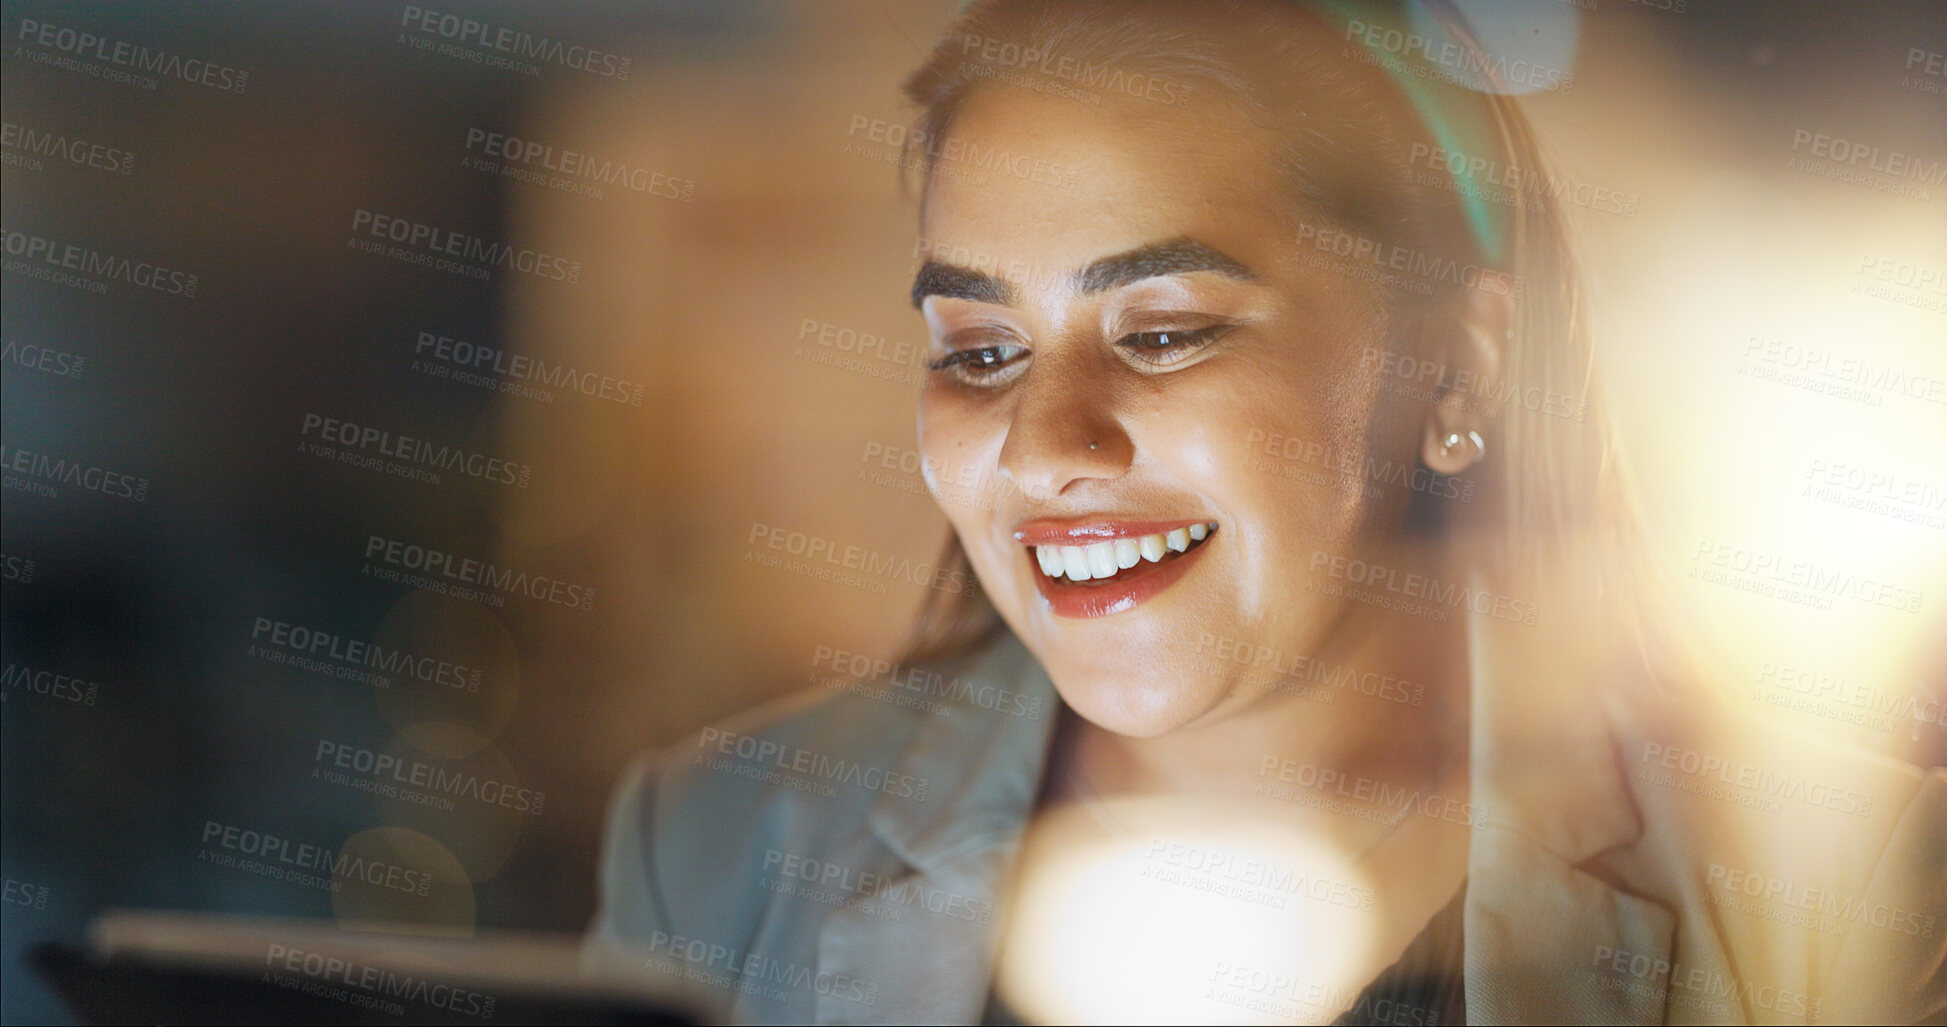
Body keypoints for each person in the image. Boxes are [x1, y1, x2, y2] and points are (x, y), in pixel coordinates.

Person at [585, 2, 1947, 1023]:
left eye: (1167, 330)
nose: (1046, 449)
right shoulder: (720, 847)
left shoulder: (1850, 890)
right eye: (981, 350)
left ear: (1459, 366)